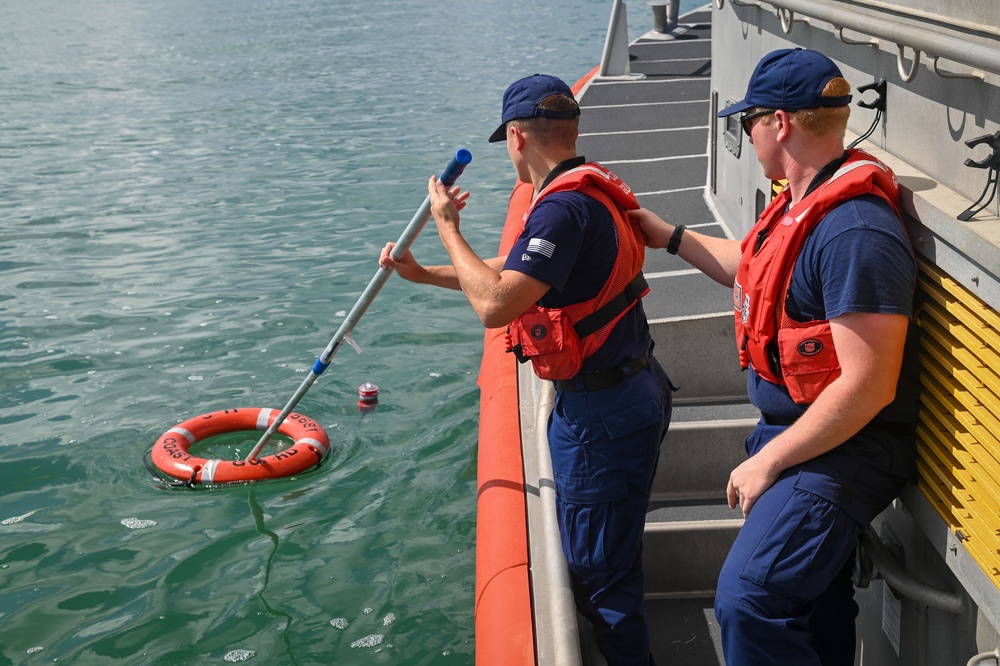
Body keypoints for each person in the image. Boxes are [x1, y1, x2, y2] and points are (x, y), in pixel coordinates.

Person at [630, 48, 918, 664]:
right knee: (816, 604)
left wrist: (770, 462)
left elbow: (868, 385)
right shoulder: (799, 200)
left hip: (847, 447)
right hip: (803, 434)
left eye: (747, 122)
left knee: (750, 597)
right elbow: (756, 270)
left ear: (778, 122)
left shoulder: (854, 231)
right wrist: (670, 236)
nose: (747, 134)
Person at [380, 74, 673, 664]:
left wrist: (446, 226)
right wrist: (425, 273)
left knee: (602, 582)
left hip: (600, 416)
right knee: (614, 556)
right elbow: (514, 274)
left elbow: (495, 304)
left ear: (516, 137)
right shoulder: (587, 193)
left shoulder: (560, 208)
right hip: (636, 387)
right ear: (573, 129)